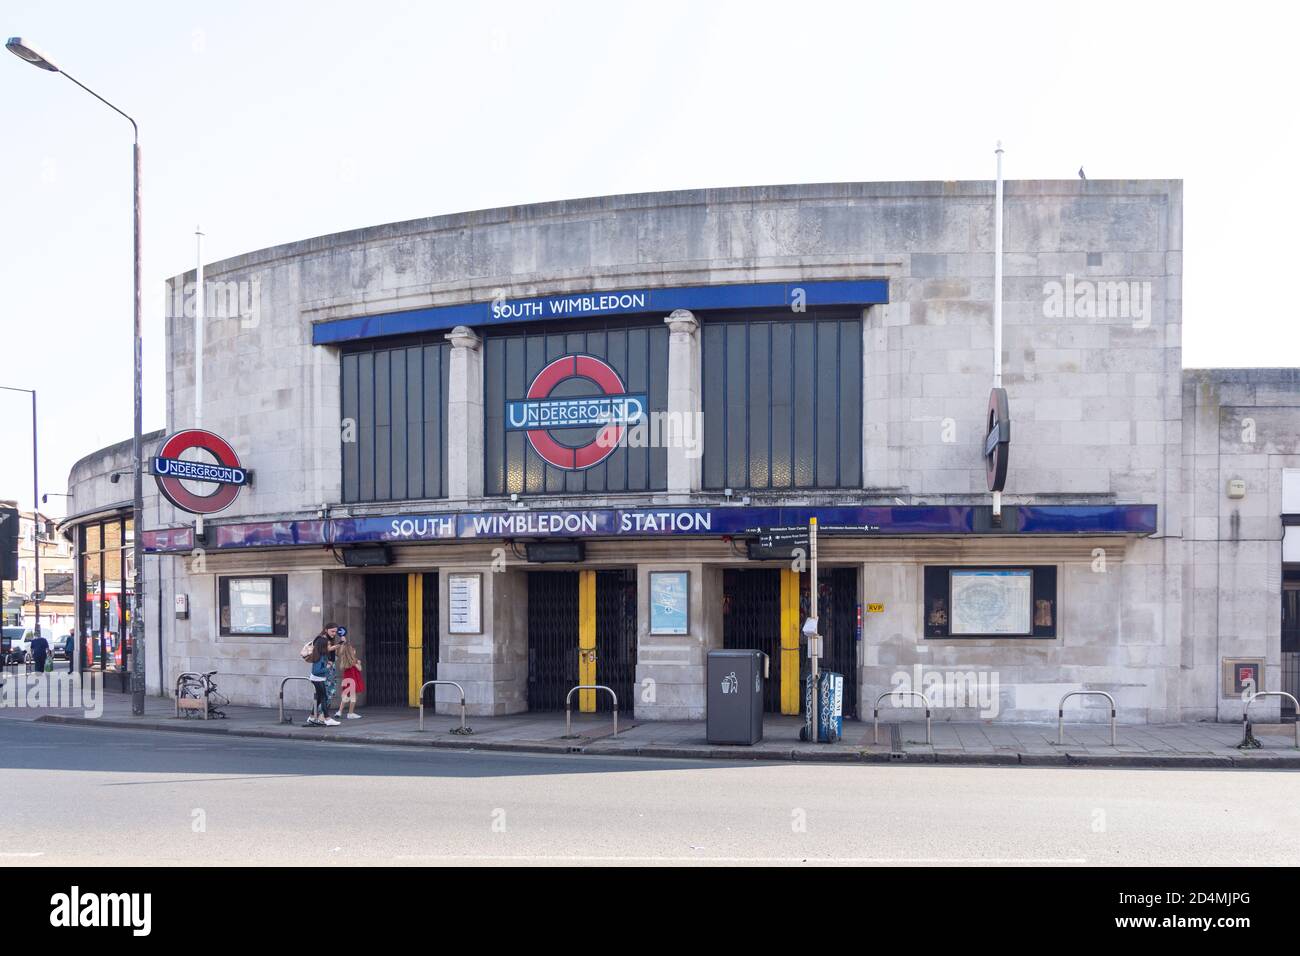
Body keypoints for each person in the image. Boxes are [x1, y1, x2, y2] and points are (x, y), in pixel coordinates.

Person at [305, 625, 341, 727]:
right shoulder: (320, 657)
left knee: (321, 698)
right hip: (318, 678)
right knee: (324, 697)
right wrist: (328, 667)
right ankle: (326, 718)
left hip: (319, 678)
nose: (329, 647)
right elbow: (317, 671)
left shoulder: (321, 656)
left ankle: (312, 717)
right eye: (327, 646)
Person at [332, 632, 364, 720]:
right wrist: (358, 663)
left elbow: (340, 652)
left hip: (347, 680)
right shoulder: (354, 661)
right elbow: (360, 669)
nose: (355, 650)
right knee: (353, 697)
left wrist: (343, 642)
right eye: (353, 650)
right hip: (353, 680)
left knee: (345, 697)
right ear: (351, 652)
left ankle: (339, 711)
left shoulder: (344, 660)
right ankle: (350, 713)